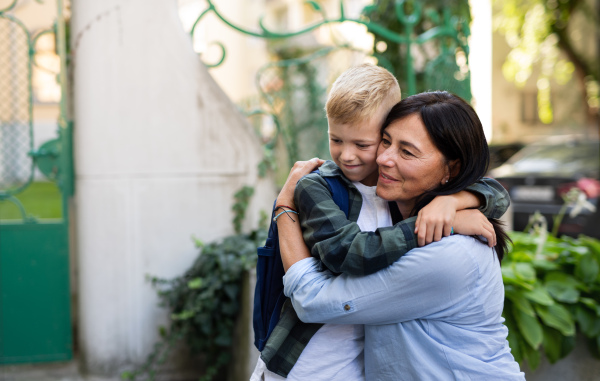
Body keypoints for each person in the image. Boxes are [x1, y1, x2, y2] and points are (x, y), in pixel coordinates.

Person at [252, 65, 510, 381]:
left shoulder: (448, 249)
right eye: (386, 142)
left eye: (406, 151)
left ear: (450, 169)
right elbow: (350, 251)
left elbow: (494, 190)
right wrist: (284, 208)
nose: (383, 158)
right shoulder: (376, 195)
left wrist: (454, 202)